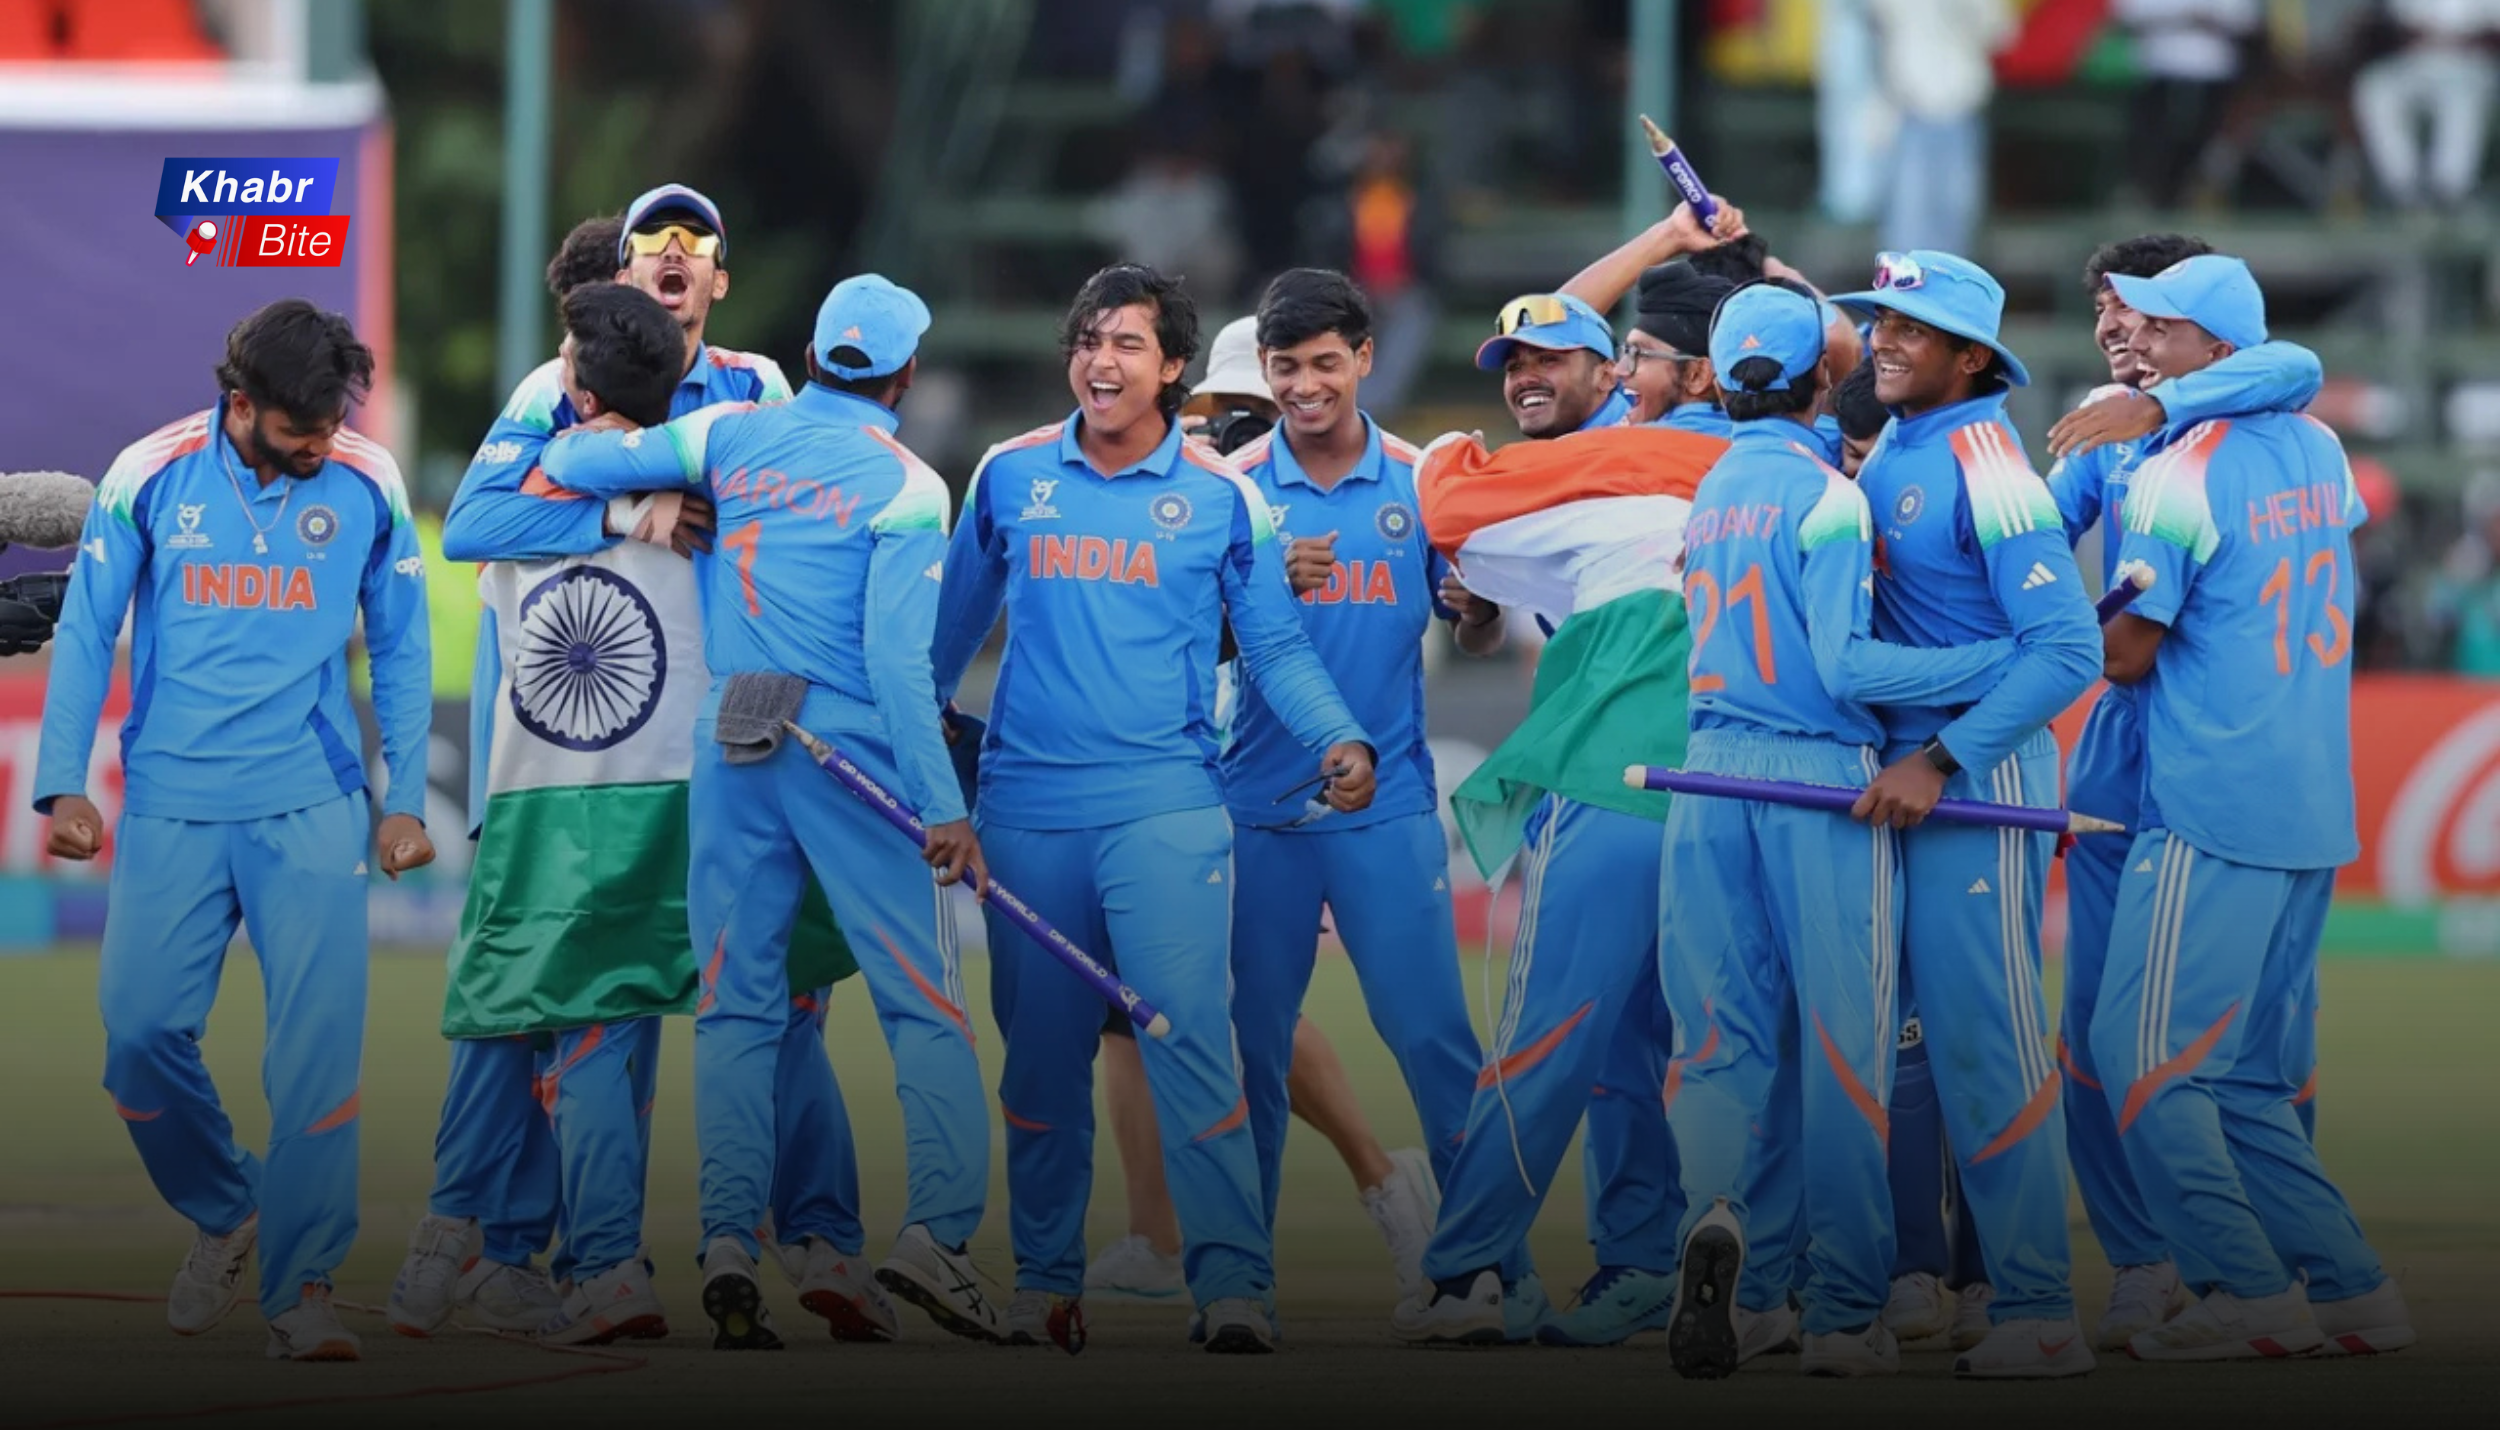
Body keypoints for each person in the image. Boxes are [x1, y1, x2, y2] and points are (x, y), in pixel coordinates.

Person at [402, 189, 871, 1347]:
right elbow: (471, 524)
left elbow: (815, 520)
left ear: (721, 277)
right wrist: (633, 514)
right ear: (621, 276)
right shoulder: (554, 400)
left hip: (716, 751)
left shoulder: (749, 391)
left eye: (692, 245)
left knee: (654, 1007)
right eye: (649, 246)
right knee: (577, 1010)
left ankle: (775, 1240)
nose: (670, 260)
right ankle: (497, 1240)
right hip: (598, 768)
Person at [534, 274, 1005, 1350]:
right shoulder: (910, 483)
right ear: (904, 373)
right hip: (853, 754)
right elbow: (897, 662)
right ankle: (936, 1233)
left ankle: (730, 1243)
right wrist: (944, 804)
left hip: (737, 739)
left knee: (736, 1007)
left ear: (813, 351)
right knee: (923, 1006)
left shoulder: (729, 433)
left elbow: (565, 461)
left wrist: (628, 481)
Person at [932, 262, 1377, 1356]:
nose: (1100, 359)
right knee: (1038, 1065)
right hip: (1027, 814)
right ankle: (1046, 1282)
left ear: (1173, 367)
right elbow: (932, 655)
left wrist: (1339, 735)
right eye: (1087, 338)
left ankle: (1233, 1287)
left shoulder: (1224, 498)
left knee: (1189, 1040)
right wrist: (935, 794)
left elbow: (1270, 642)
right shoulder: (1008, 475)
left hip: (1167, 811)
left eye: (1127, 342)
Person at [36, 299, 434, 1362]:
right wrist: (61, 782)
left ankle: (301, 1288)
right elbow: (86, 628)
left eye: (329, 426)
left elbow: (399, 645)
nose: (319, 447)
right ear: (240, 402)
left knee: (315, 1060)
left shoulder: (367, 480)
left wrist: (402, 800)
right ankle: (229, 1211)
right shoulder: (149, 472)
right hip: (170, 800)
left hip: (309, 802)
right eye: (299, 430)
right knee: (136, 1040)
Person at [1659, 281, 2019, 1380]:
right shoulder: (1829, 494)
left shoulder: (1711, 483)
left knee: (1722, 1047)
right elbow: (1848, 665)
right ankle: (1849, 1311)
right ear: (1828, 378)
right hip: (1816, 781)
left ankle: (1735, 1249)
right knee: (1846, 1054)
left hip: (1704, 777)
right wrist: (1996, 662)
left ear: (1716, 381)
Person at [2090, 254, 2414, 1360]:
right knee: (2243, 1079)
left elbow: (2126, 653)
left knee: (2139, 1056)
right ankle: (2352, 1287)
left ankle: (2247, 1293)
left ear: (2212, 353)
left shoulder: (2178, 470)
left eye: (2160, 331)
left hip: (2210, 798)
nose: (2139, 345)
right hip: (2312, 796)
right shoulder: (2320, 448)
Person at [1392, 292, 1725, 1348]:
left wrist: (1449, 444)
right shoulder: (1788, 456)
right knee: (1700, 1043)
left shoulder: (1617, 458)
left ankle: (1465, 1274)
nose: (1526, 376)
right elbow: (1489, 598)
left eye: (1621, 357)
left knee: (1551, 1038)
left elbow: (1445, 501)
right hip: (1750, 786)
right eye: (1512, 361)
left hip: (1616, 777)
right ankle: (1682, 1262)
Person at [1087, 313, 1441, 1306]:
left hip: (1248, 781)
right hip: (1168, 773)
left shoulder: (1273, 500)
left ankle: (1380, 1175)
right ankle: (1162, 1237)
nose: (1226, 431)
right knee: (1133, 1015)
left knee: (1238, 1003)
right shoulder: (1201, 493)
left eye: (1244, 410)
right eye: (1214, 412)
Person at [2041, 232, 2328, 1354]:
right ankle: (2147, 1263)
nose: (2114, 330)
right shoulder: (2101, 424)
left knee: (2246, 1038)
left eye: (2139, 312)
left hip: (2220, 745)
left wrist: (2156, 413)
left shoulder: (2238, 421)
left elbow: (2290, 361)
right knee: (2097, 1029)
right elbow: (2023, 530)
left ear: (2207, 324)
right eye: (2104, 311)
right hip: (2128, 752)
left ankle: (2260, 1265)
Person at [1828, 250, 2102, 1378]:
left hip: (1972, 784)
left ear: (1971, 354)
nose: (1882, 341)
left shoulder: (1989, 461)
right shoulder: (1899, 436)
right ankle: (1929, 1280)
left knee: (1985, 1044)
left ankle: (2039, 1304)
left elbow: (2069, 650)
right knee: (1900, 1050)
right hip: (1905, 777)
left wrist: (1938, 759)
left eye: (1909, 327)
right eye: (1877, 320)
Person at [1220, 270, 1502, 1308]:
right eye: (1284, 367)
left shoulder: (1422, 481)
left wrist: (1471, 612)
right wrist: (1248, 592)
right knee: (1248, 1053)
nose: (1303, 385)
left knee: (1435, 1041)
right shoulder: (1232, 486)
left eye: (1323, 363)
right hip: (1256, 811)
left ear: (1365, 357)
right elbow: (1179, 644)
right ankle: (1237, 1283)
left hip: (1385, 812)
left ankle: (1480, 1272)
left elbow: (1470, 627)